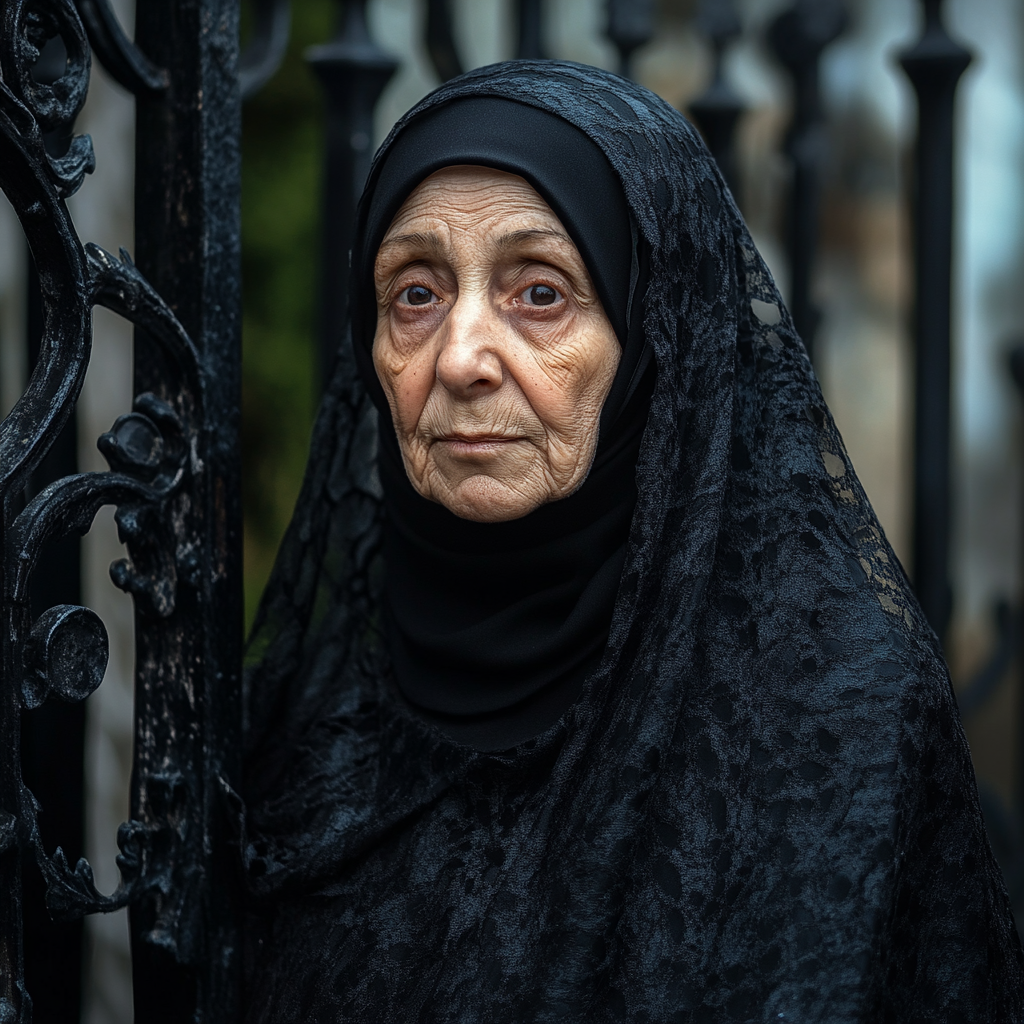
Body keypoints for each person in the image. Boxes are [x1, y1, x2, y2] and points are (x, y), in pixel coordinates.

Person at [240, 61, 1024, 1021]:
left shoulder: (826, 720)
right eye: (414, 294)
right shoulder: (324, 710)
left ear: (660, 339)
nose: (458, 357)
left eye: (539, 293)